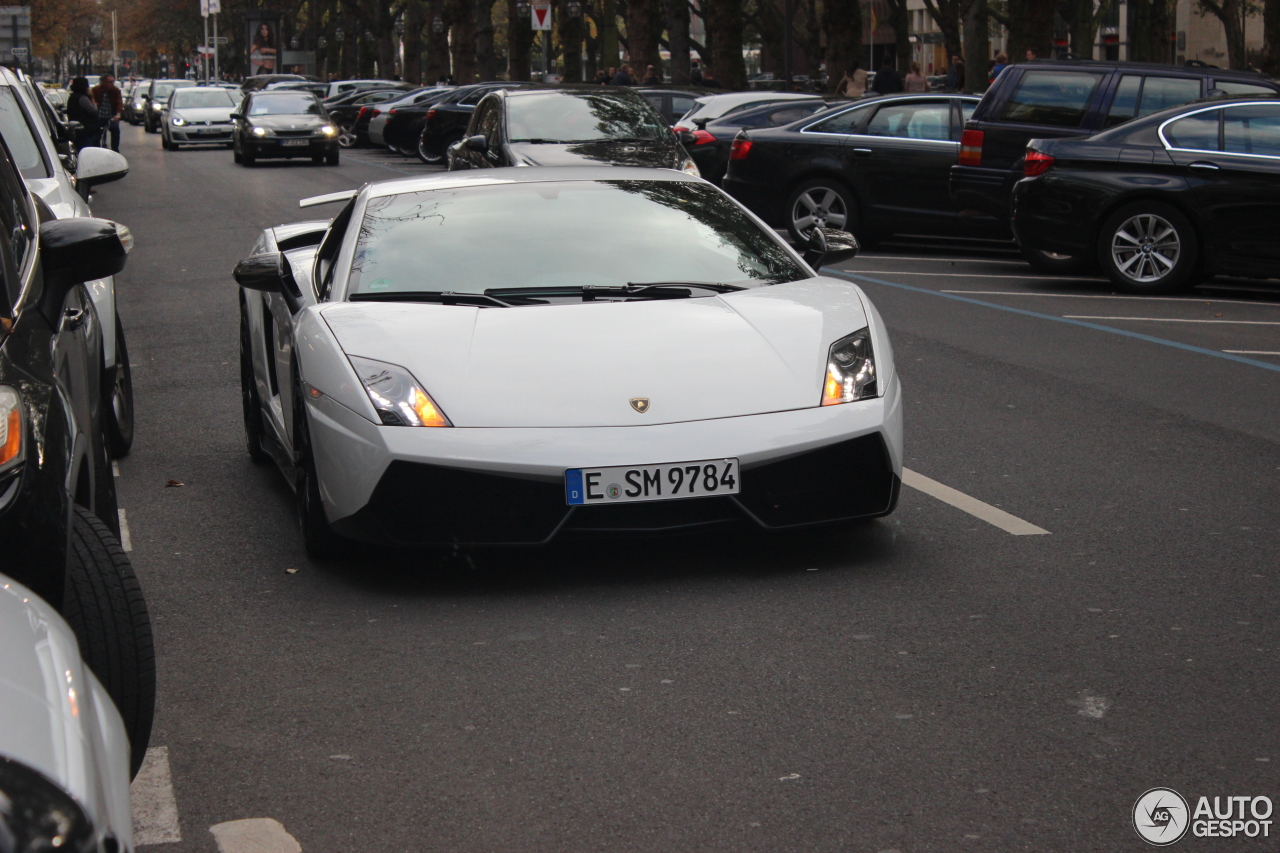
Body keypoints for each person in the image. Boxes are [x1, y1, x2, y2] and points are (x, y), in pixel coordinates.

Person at [66, 77, 101, 153]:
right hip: (86, 131)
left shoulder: (72, 97)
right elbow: (94, 111)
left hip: (77, 130)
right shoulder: (83, 98)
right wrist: (92, 98)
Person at [91, 73, 123, 152]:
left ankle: (115, 150)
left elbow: (119, 102)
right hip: (99, 115)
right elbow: (91, 100)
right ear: (103, 82)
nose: (112, 84)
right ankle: (96, 150)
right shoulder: (96, 90)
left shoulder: (116, 90)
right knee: (96, 133)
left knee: (115, 130)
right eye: (110, 82)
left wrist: (118, 115)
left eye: (113, 82)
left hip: (111, 115)